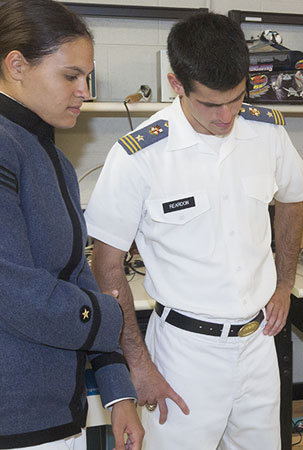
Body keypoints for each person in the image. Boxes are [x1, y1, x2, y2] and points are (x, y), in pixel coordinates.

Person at [84, 11, 303, 450]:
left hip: (257, 344)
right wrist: (138, 363)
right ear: (176, 85)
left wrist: (284, 284)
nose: (227, 115)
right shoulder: (140, 155)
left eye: (236, 98)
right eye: (211, 104)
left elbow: (292, 198)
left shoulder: (267, 132)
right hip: (183, 356)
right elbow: (107, 266)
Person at [0, 1, 144, 449]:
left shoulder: (51, 155)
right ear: (17, 65)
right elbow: (15, 291)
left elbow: (75, 274)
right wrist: (111, 313)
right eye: (70, 76)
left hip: (58, 409)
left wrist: (118, 390)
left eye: (88, 77)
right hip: (15, 418)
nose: (85, 90)